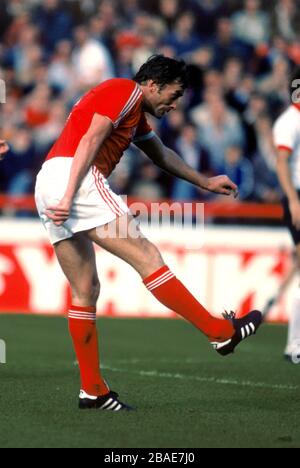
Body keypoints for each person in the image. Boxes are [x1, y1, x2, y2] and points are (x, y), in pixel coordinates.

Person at [34, 55, 262, 411]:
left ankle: (92, 390)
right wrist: (68, 194)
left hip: (49, 179)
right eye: (174, 94)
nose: (174, 104)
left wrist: (203, 180)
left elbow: (160, 153)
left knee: (85, 289)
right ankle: (220, 333)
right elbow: (92, 139)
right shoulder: (125, 91)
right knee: (148, 256)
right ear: (153, 84)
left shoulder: (133, 111)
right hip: (75, 180)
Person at [274, 67, 300, 363]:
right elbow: (282, 163)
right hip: (297, 197)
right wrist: (293, 200)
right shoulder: (288, 122)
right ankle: (294, 344)